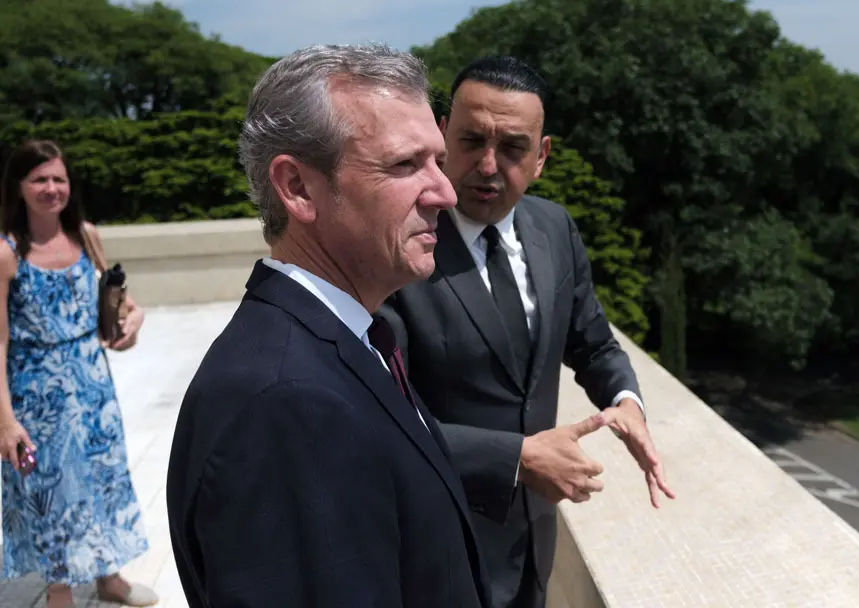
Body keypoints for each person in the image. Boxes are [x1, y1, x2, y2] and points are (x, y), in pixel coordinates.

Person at [165, 44, 492, 608]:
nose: (445, 192)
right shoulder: (285, 403)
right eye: (405, 164)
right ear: (296, 187)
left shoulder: (349, 341)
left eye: (438, 161)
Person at [378, 56, 676, 608]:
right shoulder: (400, 246)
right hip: (435, 548)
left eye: (513, 148)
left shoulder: (554, 227)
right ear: (443, 135)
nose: (488, 166)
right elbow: (381, 415)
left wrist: (626, 399)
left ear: (541, 157)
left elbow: (593, 342)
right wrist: (517, 457)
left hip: (533, 542)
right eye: (471, 141)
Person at [0, 140, 157, 608]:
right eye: (39, 179)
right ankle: (60, 592)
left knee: (105, 476)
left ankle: (109, 576)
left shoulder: (86, 235)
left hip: (92, 382)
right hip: (36, 392)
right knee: (51, 492)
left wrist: (135, 317)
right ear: (19, 187)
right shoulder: (7, 253)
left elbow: (116, 297)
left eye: (58, 179)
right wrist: (5, 419)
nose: (51, 188)